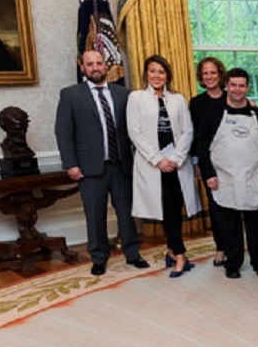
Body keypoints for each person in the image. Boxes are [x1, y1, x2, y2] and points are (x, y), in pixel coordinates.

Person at [55, 50, 149, 276]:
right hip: (89, 168)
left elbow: (135, 128)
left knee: (126, 213)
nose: (95, 67)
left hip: (121, 164)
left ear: (105, 66)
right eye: (90, 64)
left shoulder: (124, 94)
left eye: (99, 63)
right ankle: (98, 257)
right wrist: (71, 164)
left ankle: (133, 253)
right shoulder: (71, 95)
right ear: (82, 67)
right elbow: (63, 132)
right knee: (95, 215)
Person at [127, 55, 202, 278]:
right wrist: (157, 159)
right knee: (167, 209)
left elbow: (188, 131)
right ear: (146, 74)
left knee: (175, 208)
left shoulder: (178, 99)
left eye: (161, 71)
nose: (157, 76)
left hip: (177, 162)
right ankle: (180, 255)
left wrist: (178, 158)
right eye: (152, 71)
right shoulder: (136, 98)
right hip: (154, 163)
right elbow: (135, 132)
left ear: (167, 75)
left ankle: (171, 250)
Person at [197, 68, 258, 279]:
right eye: (233, 85)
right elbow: (202, 146)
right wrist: (209, 174)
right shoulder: (213, 114)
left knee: (257, 227)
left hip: (254, 178)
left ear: (247, 87)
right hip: (224, 179)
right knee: (229, 227)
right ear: (226, 86)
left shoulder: (257, 115)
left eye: (242, 85)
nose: (237, 89)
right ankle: (233, 263)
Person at [190, 56, 229, 268]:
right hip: (208, 163)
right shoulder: (196, 103)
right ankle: (220, 248)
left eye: (213, 72)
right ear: (201, 78)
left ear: (220, 74)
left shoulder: (232, 98)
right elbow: (195, 136)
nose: (209, 77)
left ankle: (234, 246)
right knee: (215, 207)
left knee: (232, 207)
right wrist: (197, 163)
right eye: (205, 73)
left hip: (231, 163)